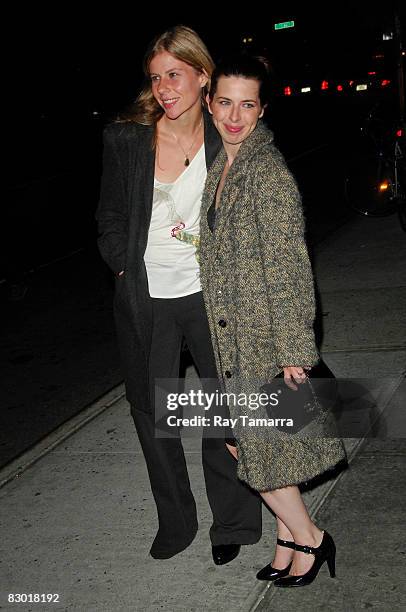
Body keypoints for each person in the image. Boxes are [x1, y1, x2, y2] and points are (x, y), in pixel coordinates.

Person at [96, 26, 262, 563]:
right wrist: (123, 264)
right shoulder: (126, 138)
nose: (165, 87)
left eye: (175, 73)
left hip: (211, 296)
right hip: (147, 299)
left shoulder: (227, 136)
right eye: (155, 77)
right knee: (152, 411)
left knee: (222, 411)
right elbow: (110, 217)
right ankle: (176, 521)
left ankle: (232, 524)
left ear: (201, 74)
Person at [199, 54, 347, 587]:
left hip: (262, 338)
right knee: (260, 450)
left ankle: (311, 538)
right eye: (225, 103)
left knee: (254, 452)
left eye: (247, 105)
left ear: (262, 110)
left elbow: (288, 265)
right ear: (210, 103)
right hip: (233, 335)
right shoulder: (225, 164)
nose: (234, 117)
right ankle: (288, 540)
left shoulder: (267, 172)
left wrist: (293, 349)